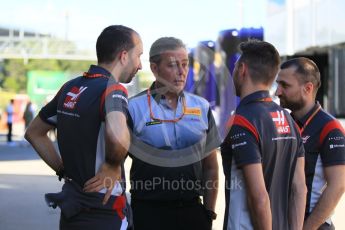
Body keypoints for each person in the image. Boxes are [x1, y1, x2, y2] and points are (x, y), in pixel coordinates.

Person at [25, 25, 143, 230]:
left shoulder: (70, 86)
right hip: (105, 210)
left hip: (72, 209)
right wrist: (111, 165)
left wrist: (63, 169)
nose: (140, 65)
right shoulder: (113, 89)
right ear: (124, 56)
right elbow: (118, 136)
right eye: (139, 56)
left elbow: (34, 133)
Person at [127, 37, 221, 230]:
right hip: (148, 213)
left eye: (185, 65)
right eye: (172, 65)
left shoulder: (201, 107)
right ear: (154, 68)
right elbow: (114, 163)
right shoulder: (133, 107)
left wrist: (208, 212)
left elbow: (211, 166)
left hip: (192, 213)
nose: (182, 72)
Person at [221, 40, 307, 230]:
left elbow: (259, 197)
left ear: (242, 69)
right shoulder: (290, 121)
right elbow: (299, 189)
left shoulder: (241, 121)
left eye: (235, 67)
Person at [276, 57, 345, 230]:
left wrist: (307, 228)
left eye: (285, 85)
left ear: (308, 88)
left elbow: (338, 185)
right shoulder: (282, 123)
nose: (277, 91)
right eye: (278, 84)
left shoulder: (330, 127)